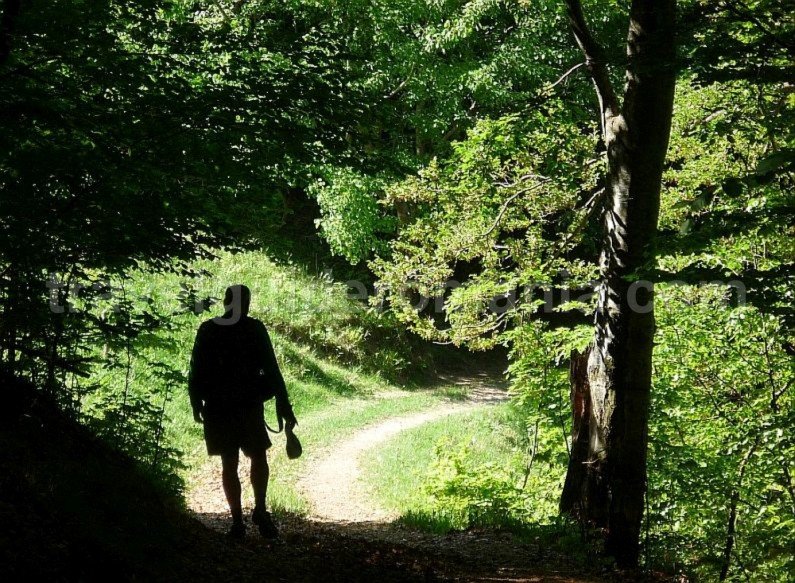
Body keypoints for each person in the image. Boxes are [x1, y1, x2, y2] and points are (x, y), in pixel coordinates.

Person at [188, 284, 297, 539]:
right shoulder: (253, 329)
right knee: (257, 457)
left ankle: (239, 520)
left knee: (231, 462)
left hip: (220, 406)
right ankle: (258, 511)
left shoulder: (209, 329)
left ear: (225, 302)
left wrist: (196, 401)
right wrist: (283, 404)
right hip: (247, 404)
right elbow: (272, 369)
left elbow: (196, 369)